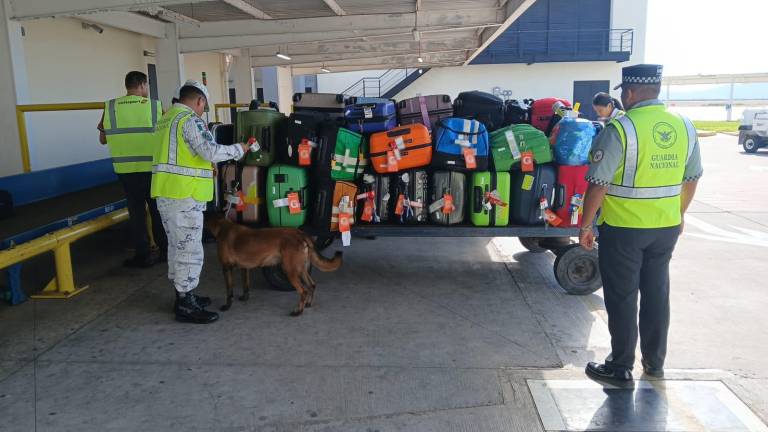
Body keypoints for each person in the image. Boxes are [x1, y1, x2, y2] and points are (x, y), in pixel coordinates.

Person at [579, 64, 703, 385]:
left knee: (622, 296)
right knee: (656, 293)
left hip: (624, 229)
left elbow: (597, 184)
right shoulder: (684, 126)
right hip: (665, 227)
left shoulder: (620, 129)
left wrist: (585, 226)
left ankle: (620, 366)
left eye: (624, 92)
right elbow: (692, 178)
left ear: (631, 93)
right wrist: (680, 214)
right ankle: (654, 362)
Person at [151, 80, 252, 324]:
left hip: (168, 194)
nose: (202, 111)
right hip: (185, 196)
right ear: (200, 101)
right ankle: (186, 305)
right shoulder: (190, 120)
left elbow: (182, 155)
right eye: (203, 107)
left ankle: (184, 295)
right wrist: (240, 149)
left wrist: (206, 170)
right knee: (189, 249)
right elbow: (210, 151)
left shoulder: (166, 119)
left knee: (177, 247)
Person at [98, 71, 168, 268]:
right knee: (157, 210)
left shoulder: (110, 107)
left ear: (127, 85)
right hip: (151, 169)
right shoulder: (155, 106)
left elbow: (103, 139)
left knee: (136, 213)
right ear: (143, 85)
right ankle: (165, 251)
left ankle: (143, 255)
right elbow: (166, 136)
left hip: (125, 170)